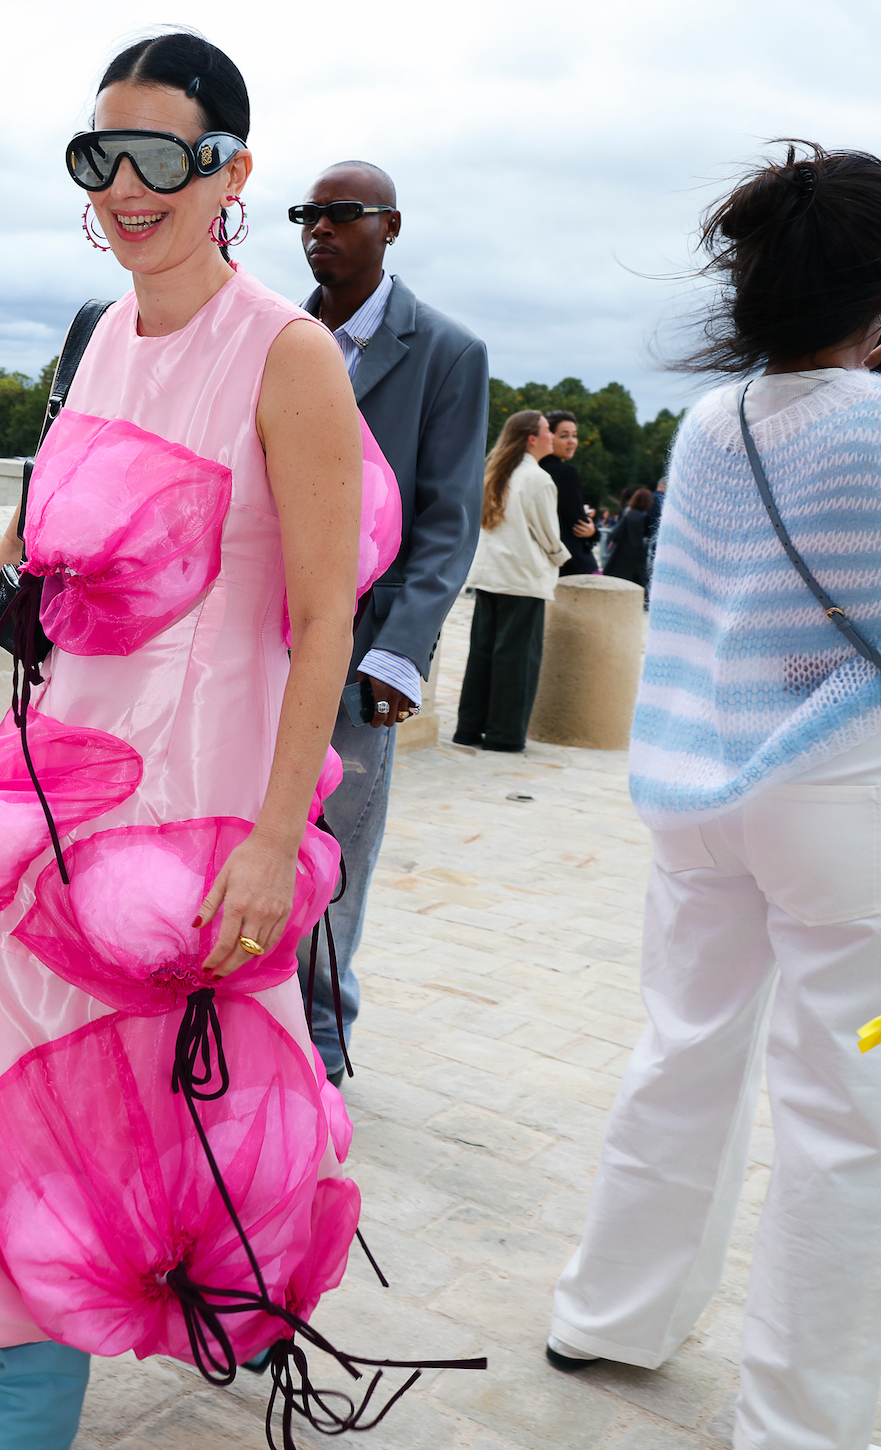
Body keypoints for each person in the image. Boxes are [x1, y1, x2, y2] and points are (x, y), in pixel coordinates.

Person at [0, 33, 377, 1445]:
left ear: (232, 172)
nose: (126, 187)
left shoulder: (291, 354)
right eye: (101, 158)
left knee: (191, 1097)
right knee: (22, 1072)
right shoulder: (100, 336)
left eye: (160, 154)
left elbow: (325, 620)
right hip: (58, 783)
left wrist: (276, 847)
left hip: (200, 804)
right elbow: (21, 555)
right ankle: (26, 1383)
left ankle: (213, 1301)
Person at [546, 142, 881, 1450]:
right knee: (847, 1102)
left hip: (698, 786)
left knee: (682, 1048)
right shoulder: (870, 425)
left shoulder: (711, 419)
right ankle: (805, 1418)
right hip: (844, 799)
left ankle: (608, 1310)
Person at [292, 159, 488, 1084]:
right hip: (257, 638)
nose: (319, 229)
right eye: (307, 214)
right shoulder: (272, 336)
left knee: (337, 851)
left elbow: (448, 525)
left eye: (341, 214)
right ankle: (241, 1029)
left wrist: (400, 653)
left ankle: (323, 1041)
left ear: (391, 226)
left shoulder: (449, 353)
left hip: (361, 651)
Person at [453, 411, 568, 751]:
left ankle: (469, 729)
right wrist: (561, 558)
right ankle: (505, 735)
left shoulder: (495, 471)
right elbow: (548, 534)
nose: (552, 436)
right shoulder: (539, 479)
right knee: (517, 660)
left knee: (483, 655)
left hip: (491, 575)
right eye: (548, 430)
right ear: (532, 438)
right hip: (522, 577)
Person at [542, 409, 599, 575]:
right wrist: (594, 533)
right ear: (549, 436)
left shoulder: (531, 468)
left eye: (574, 435)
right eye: (564, 436)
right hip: (569, 561)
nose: (572, 441)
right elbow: (579, 524)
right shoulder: (566, 472)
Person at [600, 487, 654, 589]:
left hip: (621, 552)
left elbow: (615, 533)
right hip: (638, 555)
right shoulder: (646, 517)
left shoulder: (628, 513)